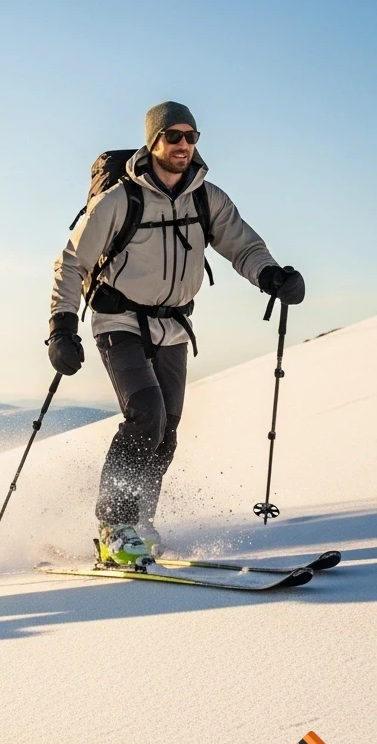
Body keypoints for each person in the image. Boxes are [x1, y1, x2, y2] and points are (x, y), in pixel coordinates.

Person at [47, 102, 305, 565]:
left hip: (173, 325)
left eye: (191, 136)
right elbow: (72, 261)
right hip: (119, 320)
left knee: (167, 430)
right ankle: (114, 525)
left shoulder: (207, 198)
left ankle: (141, 518)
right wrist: (61, 325)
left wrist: (270, 275)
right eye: (174, 136)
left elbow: (242, 244)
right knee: (145, 412)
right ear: (154, 142)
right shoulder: (119, 200)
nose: (184, 144)